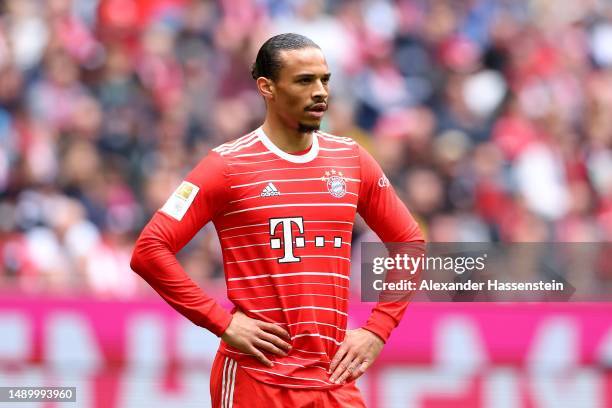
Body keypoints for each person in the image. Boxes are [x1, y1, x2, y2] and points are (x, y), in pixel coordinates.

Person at [130, 33, 424, 407]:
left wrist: (378, 330)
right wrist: (221, 322)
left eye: (325, 80)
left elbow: (409, 243)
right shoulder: (227, 166)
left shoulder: (351, 158)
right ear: (266, 87)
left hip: (333, 379)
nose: (320, 92)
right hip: (259, 378)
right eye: (304, 81)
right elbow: (149, 250)